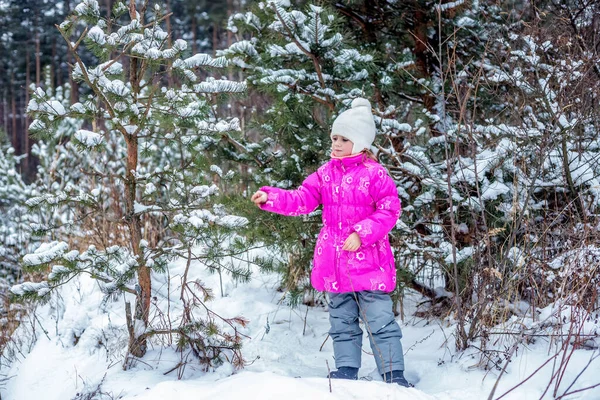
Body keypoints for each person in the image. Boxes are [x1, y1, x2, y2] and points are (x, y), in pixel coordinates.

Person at [251, 98, 410, 387]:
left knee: (380, 321)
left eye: (344, 139)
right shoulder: (325, 174)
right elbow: (302, 199)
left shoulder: (375, 174)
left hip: (369, 264)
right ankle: (347, 371)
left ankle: (393, 373)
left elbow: (389, 210)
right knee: (342, 322)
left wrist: (361, 233)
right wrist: (270, 197)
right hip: (336, 266)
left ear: (360, 143)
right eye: (334, 137)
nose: (336, 143)